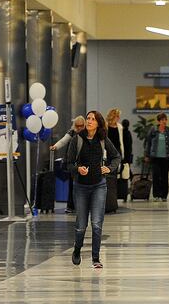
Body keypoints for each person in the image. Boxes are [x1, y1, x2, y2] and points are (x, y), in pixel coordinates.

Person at [66, 110, 121, 269]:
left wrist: (110, 168)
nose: (89, 121)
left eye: (93, 119)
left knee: (97, 224)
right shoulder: (77, 139)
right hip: (81, 187)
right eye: (88, 118)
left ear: (98, 123)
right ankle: (77, 250)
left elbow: (116, 156)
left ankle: (95, 258)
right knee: (81, 226)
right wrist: (78, 170)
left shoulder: (103, 139)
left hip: (99, 185)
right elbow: (68, 164)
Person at [51, 116, 86, 213]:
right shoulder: (72, 132)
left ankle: (83, 206)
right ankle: (71, 206)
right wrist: (55, 146)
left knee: (84, 185)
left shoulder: (88, 133)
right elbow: (63, 141)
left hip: (84, 162)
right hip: (73, 163)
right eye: (77, 126)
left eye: (81, 126)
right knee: (72, 185)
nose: (79, 128)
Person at [144, 113, 169, 202]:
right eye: (162, 120)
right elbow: (148, 143)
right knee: (156, 176)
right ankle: (156, 195)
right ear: (159, 121)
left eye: (165, 120)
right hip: (155, 157)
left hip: (166, 157)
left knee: (164, 176)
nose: (164, 121)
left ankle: (164, 195)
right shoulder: (153, 130)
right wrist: (146, 155)